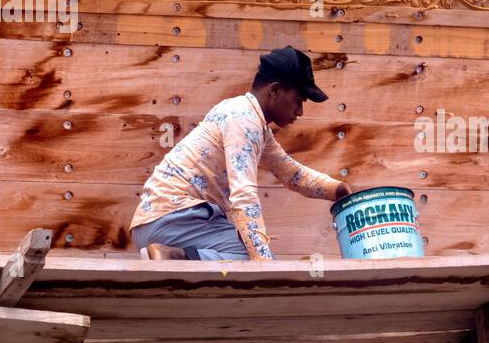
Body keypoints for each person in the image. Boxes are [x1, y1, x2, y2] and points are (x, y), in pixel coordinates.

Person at [130, 46, 351, 260]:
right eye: (299, 100)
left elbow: (293, 175)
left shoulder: (249, 120)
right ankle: (175, 256)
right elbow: (244, 196)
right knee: (250, 260)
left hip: (161, 220)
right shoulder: (244, 119)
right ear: (274, 90)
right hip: (174, 218)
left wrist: (338, 191)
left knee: (250, 255)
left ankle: (174, 255)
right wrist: (264, 265)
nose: (300, 111)